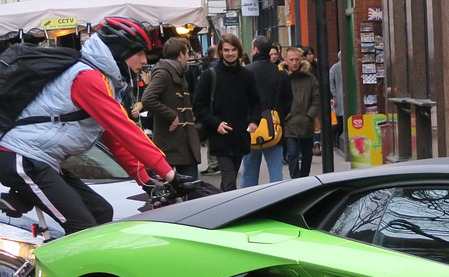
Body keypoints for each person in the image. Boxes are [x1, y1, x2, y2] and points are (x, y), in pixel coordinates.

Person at [0, 17, 176, 237]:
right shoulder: (86, 77)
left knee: (101, 212)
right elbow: (125, 130)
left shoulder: (105, 81)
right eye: (139, 53)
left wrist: (145, 180)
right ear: (120, 51)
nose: (144, 60)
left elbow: (113, 138)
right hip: (19, 156)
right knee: (81, 227)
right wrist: (171, 175)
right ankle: (63, 272)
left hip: (40, 159)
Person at [193, 34, 261, 191]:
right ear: (220, 52)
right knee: (230, 180)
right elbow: (198, 106)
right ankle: (231, 210)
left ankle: (222, 204)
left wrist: (254, 121)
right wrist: (215, 123)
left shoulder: (247, 76)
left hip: (240, 136)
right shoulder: (209, 75)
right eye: (226, 50)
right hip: (219, 137)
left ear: (239, 51)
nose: (230, 53)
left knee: (229, 179)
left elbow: (256, 102)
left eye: (233, 50)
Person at [141, 37, 202, 180]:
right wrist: (172, 115)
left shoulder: (177, 71)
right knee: (172, 193)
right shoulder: (164, 73)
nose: (188, 57)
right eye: (187, 53)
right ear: (181, 54)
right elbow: (147, 98)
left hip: (183, 145)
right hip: (169, 144)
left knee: (190, 191)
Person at [241, 36, 292, 187]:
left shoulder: (246, 72)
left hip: (251, 127)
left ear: (255, 50)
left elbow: (241, 100)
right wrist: (279, 115)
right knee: (276, 173)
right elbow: (289, 100)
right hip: (274, 126)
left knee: (249, 172)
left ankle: (249, 205)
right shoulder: (280, 72)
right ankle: (276, 203)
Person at [282, 47, 320, 178]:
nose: (294, 63)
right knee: (292, 154)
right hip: (289, 124)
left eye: (296, 59)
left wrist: (309, 115)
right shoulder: (282, 78)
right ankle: (295, 179)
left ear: (301, 60)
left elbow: (316, 98)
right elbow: (277, 99)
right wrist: (286, 116)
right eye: (291, 60)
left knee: (307, 155)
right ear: (285, 60)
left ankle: (304, 178)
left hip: (306, 123)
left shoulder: (310, 78)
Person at [329, 52, 345, 156]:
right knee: (340, 121)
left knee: (339, 120)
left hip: (338, 97)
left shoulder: (334, 68)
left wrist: (334, 94)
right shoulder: (336, 68)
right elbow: (331, 82)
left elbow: (331, 82)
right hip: (339, 97)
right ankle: (335, 139)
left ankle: (335, 140)